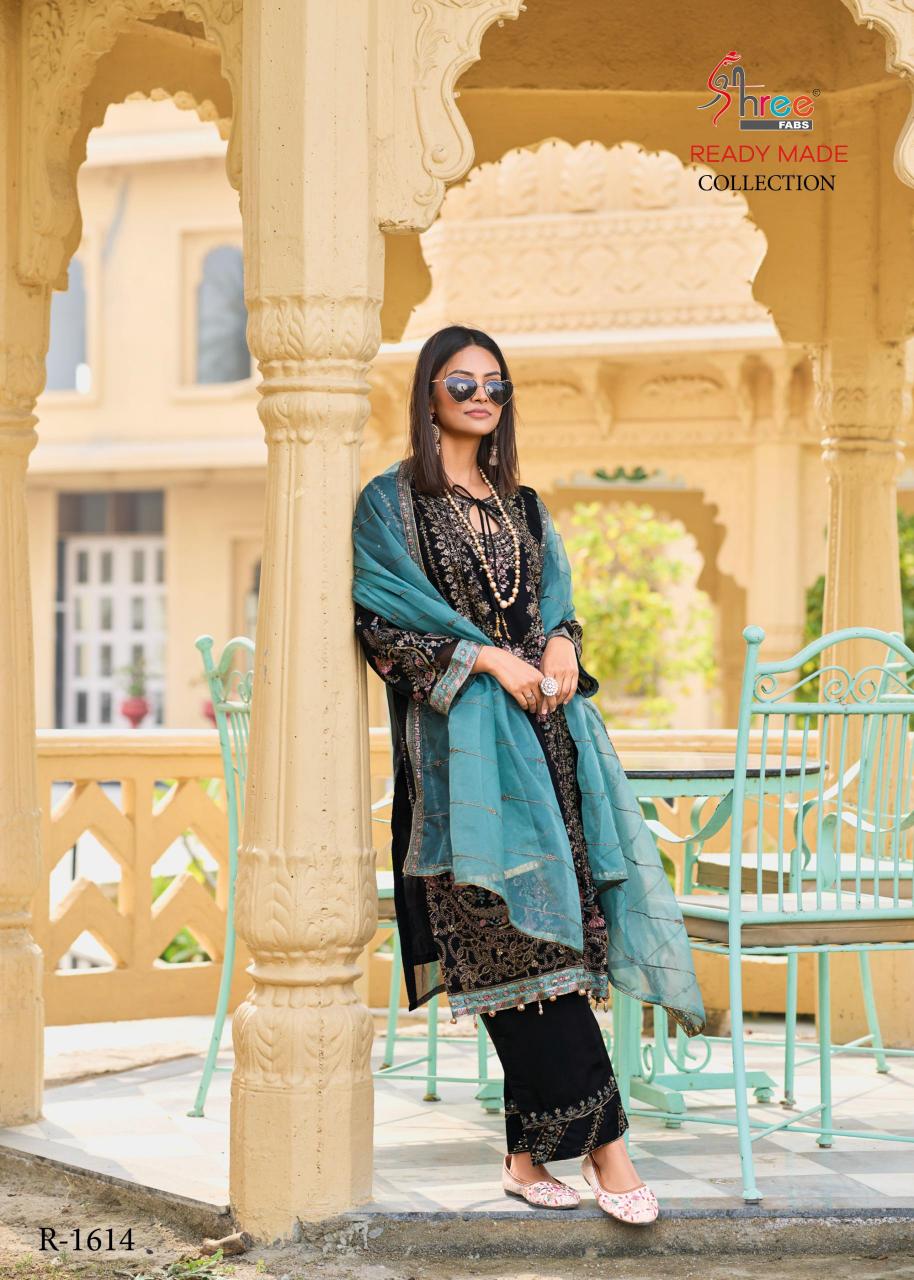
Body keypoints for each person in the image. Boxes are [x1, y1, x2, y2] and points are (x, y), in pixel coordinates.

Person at [351, 324, 705, 1225]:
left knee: (556, 953)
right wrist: (486, 660)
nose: (481, 397)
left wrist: (558, 646)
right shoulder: (391, 505)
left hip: (551, 762)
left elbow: (559, 612)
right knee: (516, 947)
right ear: (429, 392)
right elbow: (381, 628)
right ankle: (611, 1153)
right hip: (459, 774)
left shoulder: (525, 506)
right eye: (461, 382)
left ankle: (524, 1158)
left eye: (495, 385)